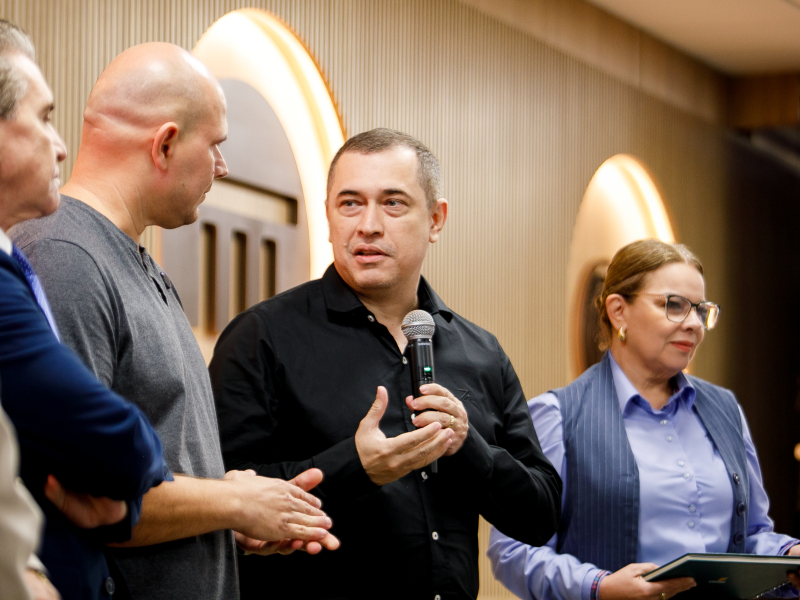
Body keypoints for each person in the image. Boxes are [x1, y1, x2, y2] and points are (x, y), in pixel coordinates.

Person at [11, 41, 339, 600]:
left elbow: (156, 471)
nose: (223, 166)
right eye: (215, 145)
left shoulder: (135, 261)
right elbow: (89, 493)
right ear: (164, 144)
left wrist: (233, 513)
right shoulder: (65, 255)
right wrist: (234, 501)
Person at [209, 127, 563, 599]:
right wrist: (355, 467)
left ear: (436, 219)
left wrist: (468, 446)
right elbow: (221, 498)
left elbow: (541, 517)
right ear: (329, 217)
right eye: (350, 204)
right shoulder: (262, 337)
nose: (368, 225)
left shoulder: (481, 352)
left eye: (392, 203)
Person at [487, 239, 800, 600]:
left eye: (700, 310)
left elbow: (752, 536)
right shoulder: (558, 416)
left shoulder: (725, 409)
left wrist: (788, 555)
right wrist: (599, 587)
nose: (694, 324)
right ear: (618, 311)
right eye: (674, 305)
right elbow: (513, 551)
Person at [0, 20, 170, 600]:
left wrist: (123, 507)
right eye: (44, 117)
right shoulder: (59, 253)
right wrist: (140, 461)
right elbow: (110, 438)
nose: (61, 145)